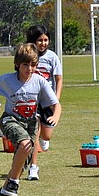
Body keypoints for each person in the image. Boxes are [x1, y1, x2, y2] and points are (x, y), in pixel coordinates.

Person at [0, 43, 61, 196]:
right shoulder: (6, 80)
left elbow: (56, 104)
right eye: (25, 65)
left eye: (33, 65)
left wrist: (55, 116)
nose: (29, 69)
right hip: (10, 119)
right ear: (17, 64)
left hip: (31, 123)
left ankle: (5, 191)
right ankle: (14, 183)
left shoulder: (39, 81)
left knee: (22, 163)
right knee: (25, 144)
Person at [25, 25, 63, 181]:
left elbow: (58, 79)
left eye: (46, 40)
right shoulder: (26, 54)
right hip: (32, 100)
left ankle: (43, 140)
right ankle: (33, 168)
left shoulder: (52, 57)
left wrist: (56, 99)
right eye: (40, 40)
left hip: (48, 100)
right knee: (35, 133)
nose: (43, 43)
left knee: (46, 136)